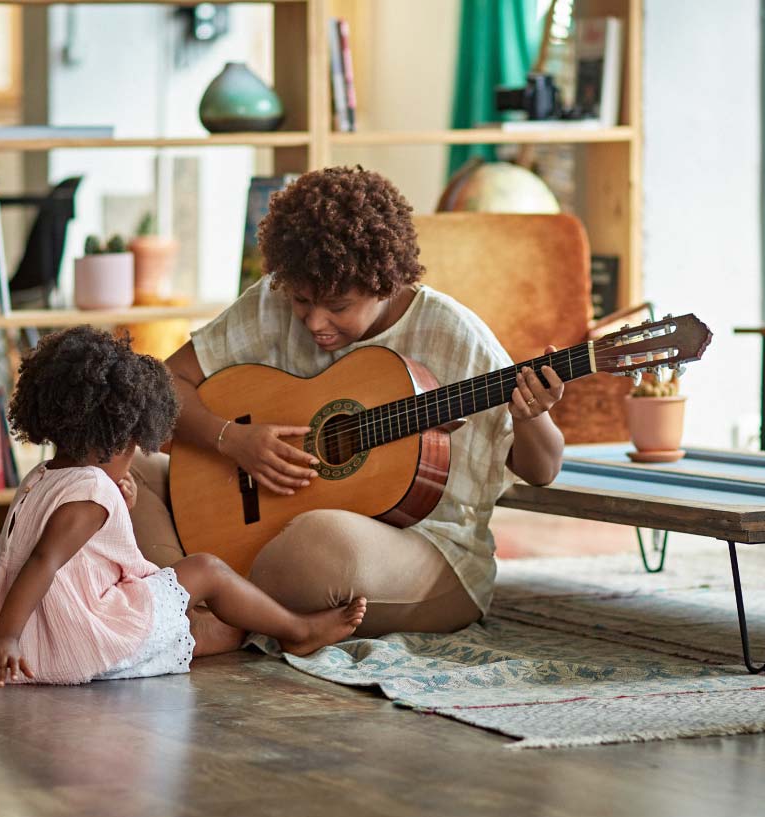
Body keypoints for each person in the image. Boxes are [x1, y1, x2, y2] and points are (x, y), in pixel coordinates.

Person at [127, 166, 565, 638]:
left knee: (320, 544)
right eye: (301, 301)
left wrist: (533, 416)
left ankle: (207, 613)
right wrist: (230, 438)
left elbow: (542, 470)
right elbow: (164, 380)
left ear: (385, 282)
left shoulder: (455, 335)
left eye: (338, 306)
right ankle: (188, 609)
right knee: (123, 467)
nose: (315, 322)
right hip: (268, 524)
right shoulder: (273, 301)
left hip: (427, 552)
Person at [0, 327, 367, 686]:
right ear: (114, 442)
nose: (134, 456)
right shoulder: (90, 493)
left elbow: (73, 554)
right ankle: (298, 629)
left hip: (42, 635)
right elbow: (43, 561)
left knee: (214, 628)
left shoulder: (43, 476)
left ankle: (259, 626)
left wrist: (118, 500)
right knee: (209, 574)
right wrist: (6, 638)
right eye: (134, 446)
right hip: (77, 639)